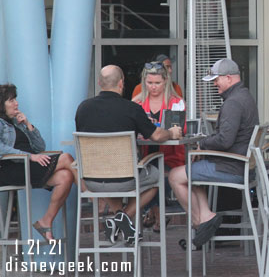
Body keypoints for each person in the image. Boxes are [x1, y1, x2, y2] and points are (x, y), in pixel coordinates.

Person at [75, 65, 182, 244]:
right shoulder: (131, 109)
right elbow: (156, 135)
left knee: (107, 172)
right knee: (157, 179)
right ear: (121, 83)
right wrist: (171, 133)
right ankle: (122, 218)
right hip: (126, 178)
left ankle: (119, 217)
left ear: (100, 83)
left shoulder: (82, 109)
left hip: (92, 180)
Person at [169, 58, 259, 248]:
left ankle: (198, 224)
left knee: (176, 176)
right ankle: (207, 217)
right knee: (193, 172)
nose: (215, 84)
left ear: (228, 78)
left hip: (230, 168)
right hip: (240, 166)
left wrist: (202, 143)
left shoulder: (233, 103)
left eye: (216, 80)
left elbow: (225, 140)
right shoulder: (245, 96)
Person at [0, 84, 75, 242]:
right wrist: (29, 157)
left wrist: (28, 125)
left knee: (66, 176)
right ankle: (90, 192)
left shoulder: (16, 123)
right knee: (67, 158)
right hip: (13, 168)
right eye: (11, 100)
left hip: (28, 165)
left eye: (16, 99)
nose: (16, 103)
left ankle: (45, 221)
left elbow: (40, 147)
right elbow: (2, 149)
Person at [132, 61, 186, 232]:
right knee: (149, 175)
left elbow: (178, 131)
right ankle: (157, 213)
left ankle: (153, 213)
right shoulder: (136, 103)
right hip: (143, 159)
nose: (153, 87)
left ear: (165, 81)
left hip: (170, 159)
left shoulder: (176, 102)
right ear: (143, 82)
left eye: (157, 83)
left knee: (154, 177)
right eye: (149, 83)